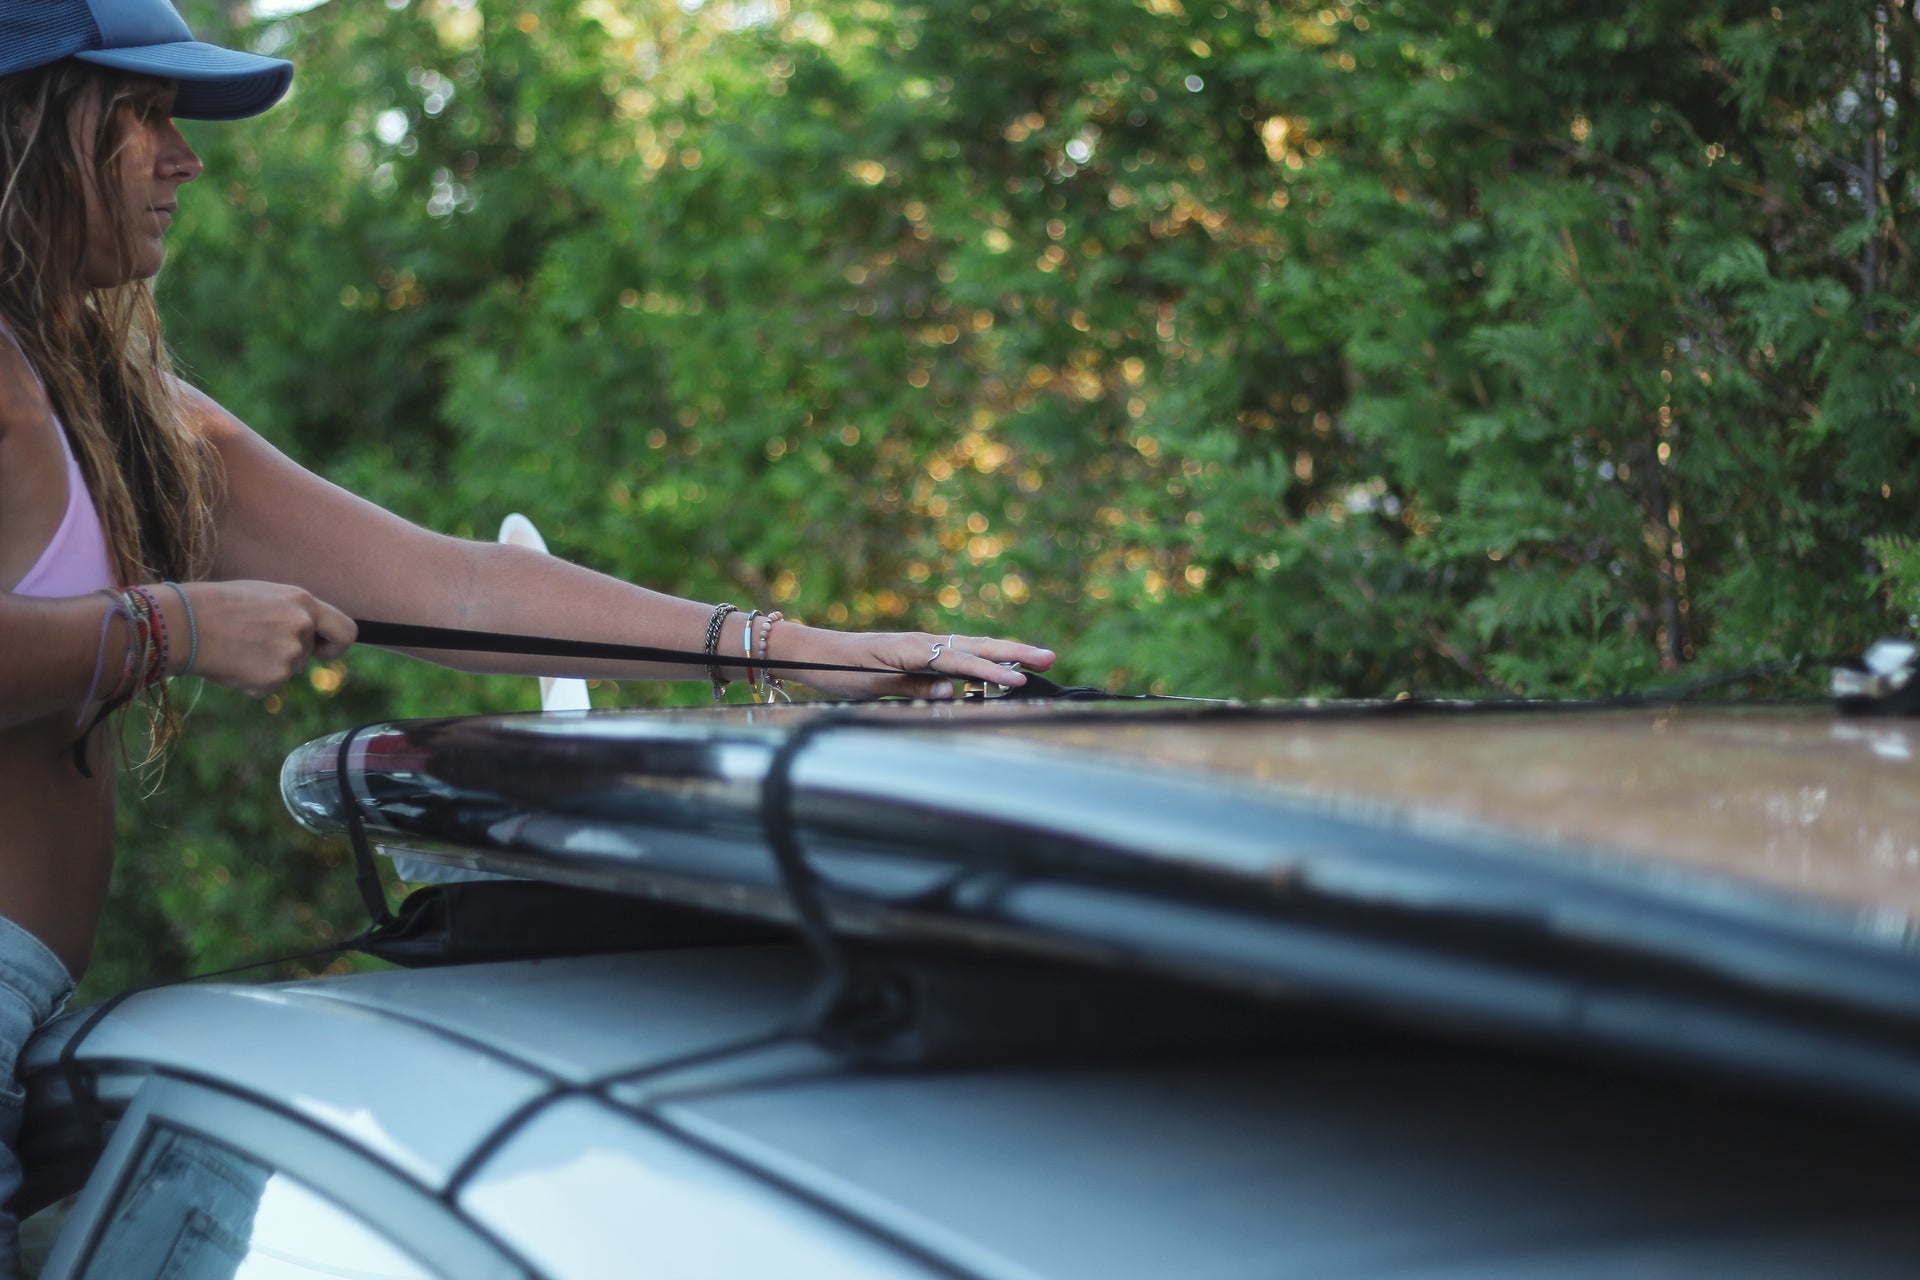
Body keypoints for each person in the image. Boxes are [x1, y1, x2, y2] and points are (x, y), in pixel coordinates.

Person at [0, 0, 1054, 1267]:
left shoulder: (111, 398)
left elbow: (463, 587)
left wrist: (810, 647)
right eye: (143, 117)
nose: (189, 159)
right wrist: (163, 630)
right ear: (26, 121)